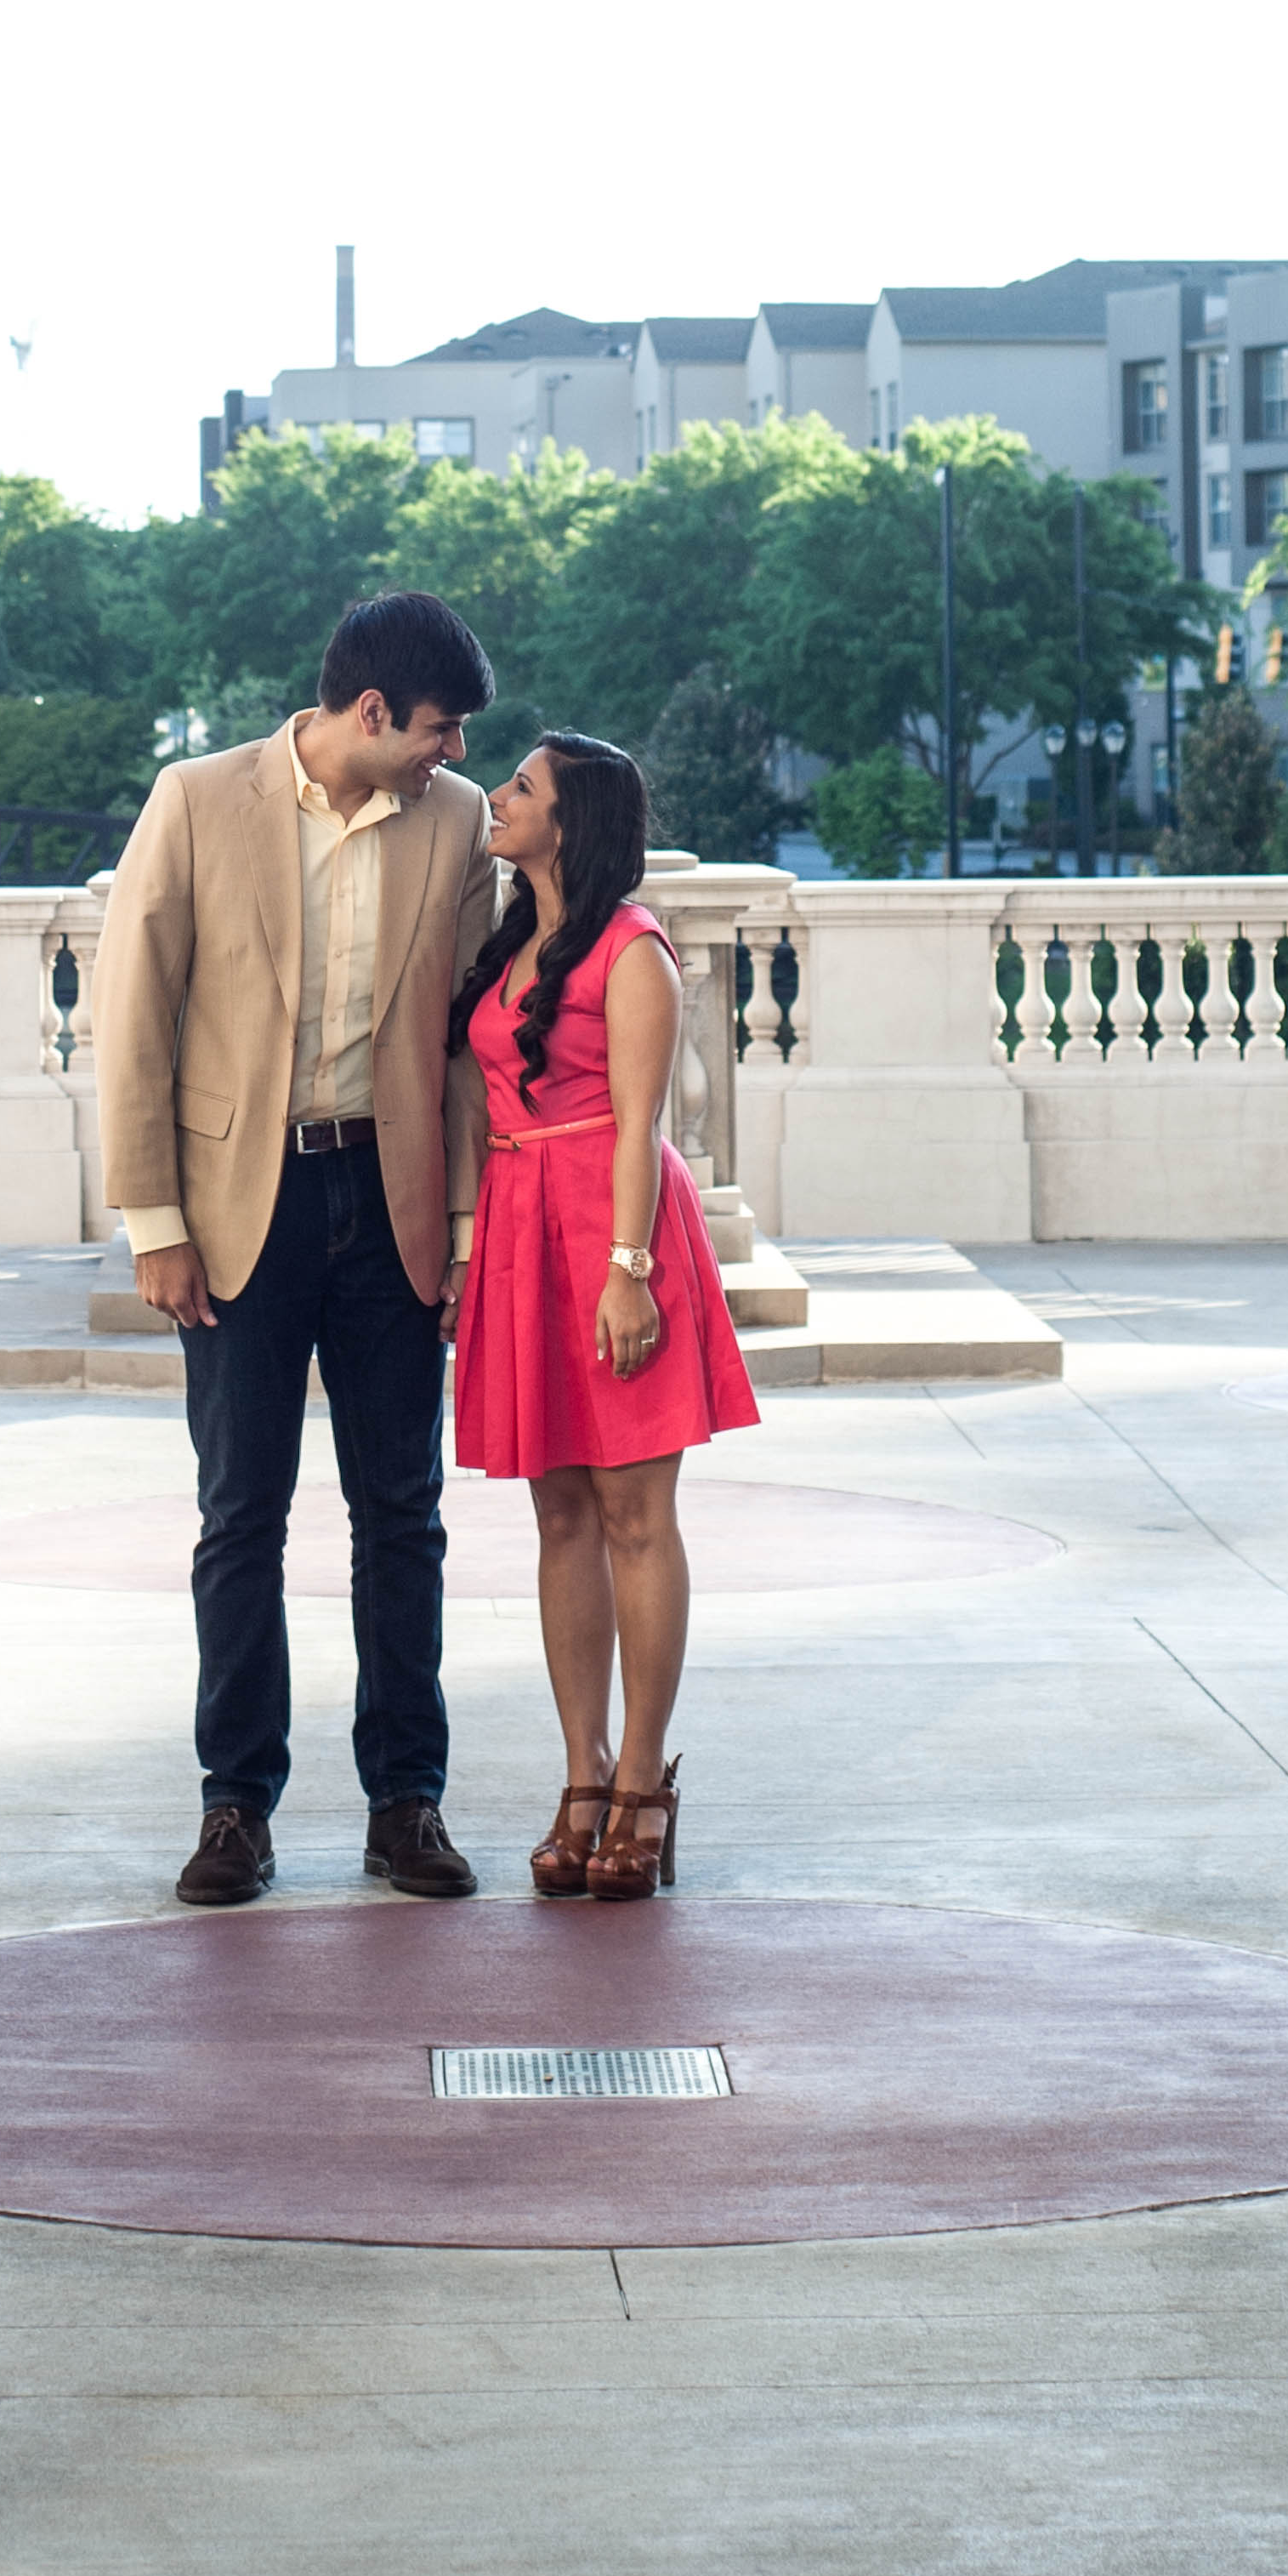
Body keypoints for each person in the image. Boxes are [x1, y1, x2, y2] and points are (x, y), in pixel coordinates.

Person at [96, 590, 502, 1908]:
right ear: (371, 713)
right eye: (435, 729)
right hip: (237, 1208)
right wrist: (154, 1219)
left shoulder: (459, 824)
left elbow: (457, 1045)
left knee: (404, 1515)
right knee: (240, 1518)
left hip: (388, 1214)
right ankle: (236, 1810)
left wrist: (454, 1228)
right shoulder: (199, 799)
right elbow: (135, 1012)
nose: (450, 754)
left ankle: (407, 1804)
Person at [446, 729, 757, 1899]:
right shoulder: (513, 939)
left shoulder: (635, 952)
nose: (500, 799)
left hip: (611, 1231)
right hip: (523, 1230)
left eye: (520, 788)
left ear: (571, 820)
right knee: (559, 1514)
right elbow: (480, 1113)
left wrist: (628, 1268)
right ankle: (578, 1773)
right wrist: (475, 1253)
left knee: (635, 1512)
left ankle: (641, 1780)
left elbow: (645, 1125)